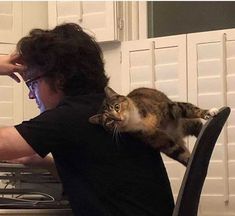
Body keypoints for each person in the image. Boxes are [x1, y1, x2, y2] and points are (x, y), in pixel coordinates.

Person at [0, 23, 174, 215]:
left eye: (32, 84)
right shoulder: (106, 108)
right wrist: (43, 162)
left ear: (59, 79)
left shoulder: (70, 117)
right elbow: (101, 177)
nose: (31, 96)